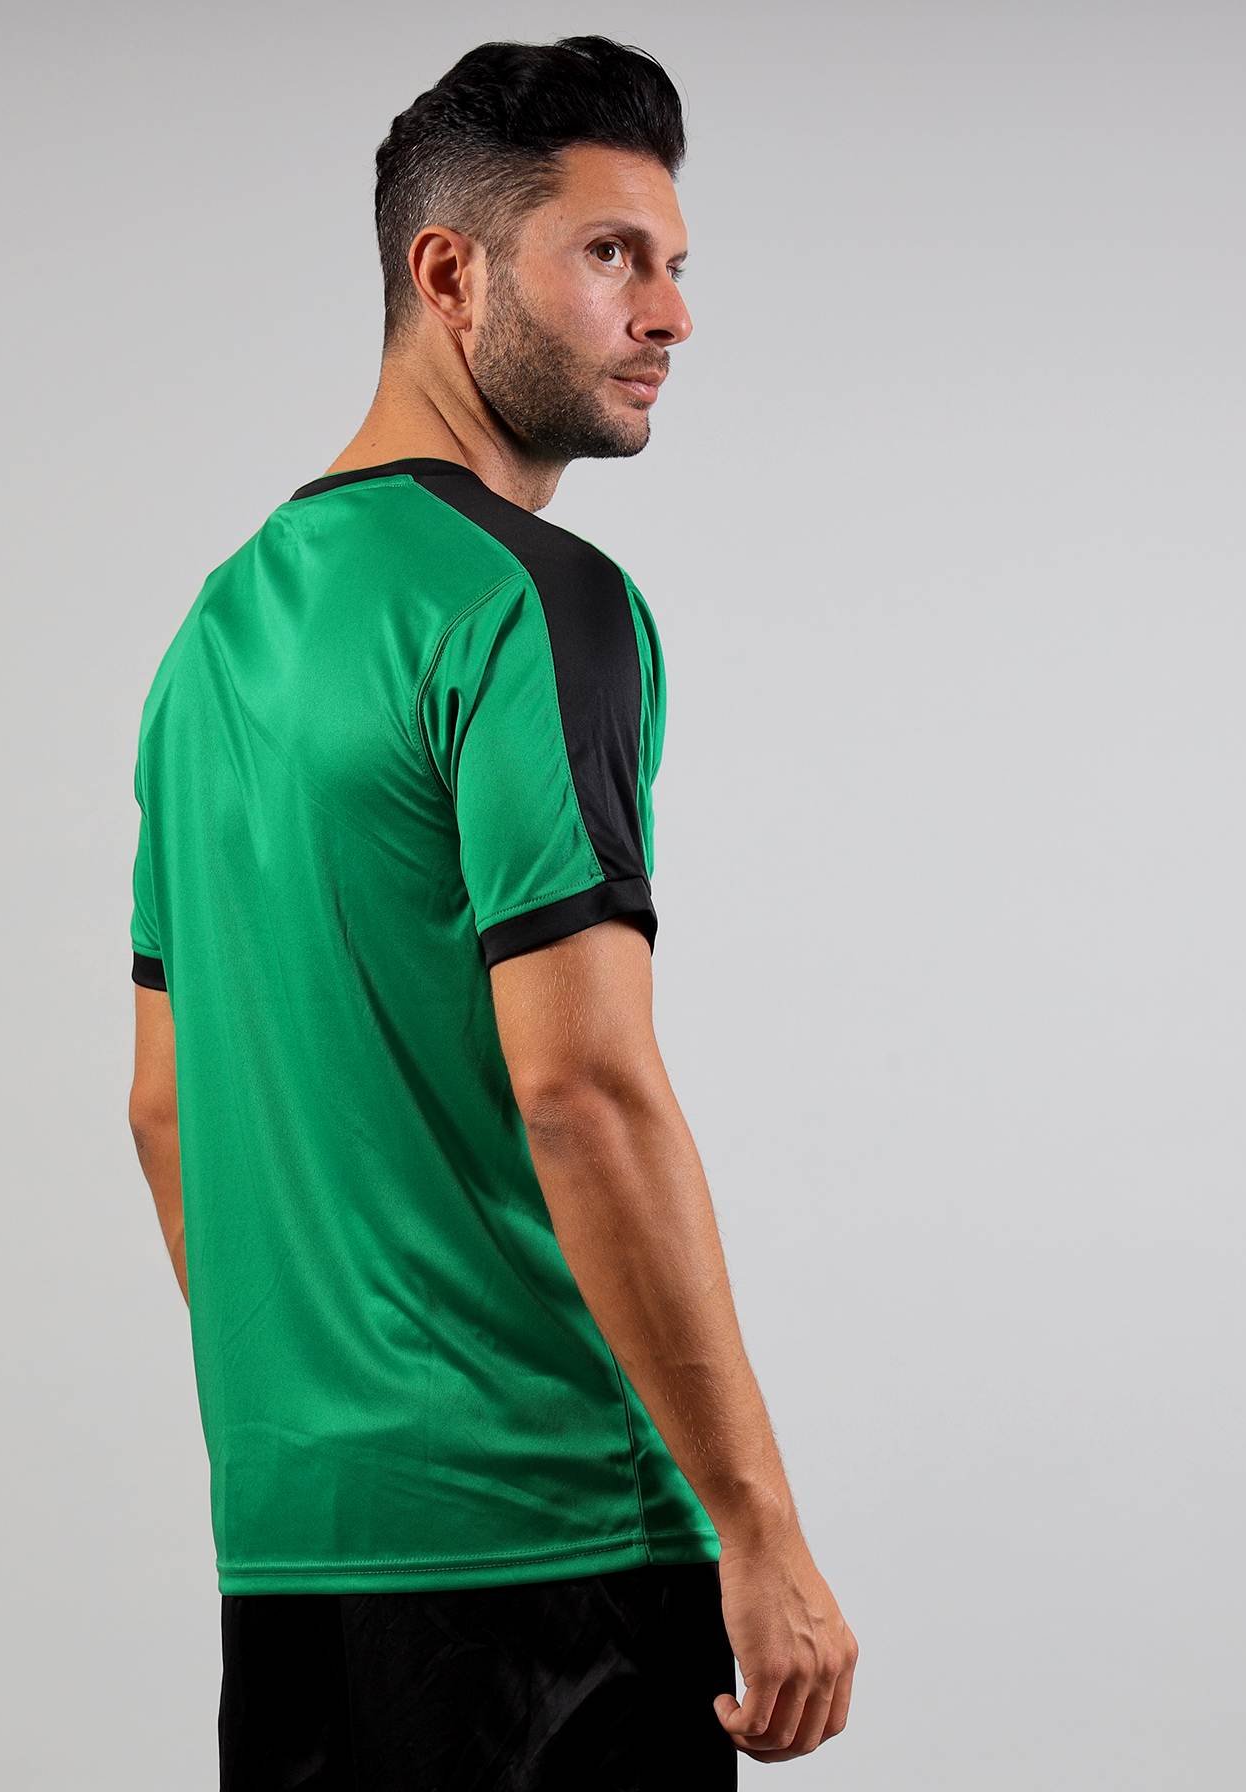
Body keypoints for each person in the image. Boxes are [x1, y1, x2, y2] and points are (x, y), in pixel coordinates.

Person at [126, 33, 856, 1788]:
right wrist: (759, 1526)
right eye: (613, 254)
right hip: (551, 1557)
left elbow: (164, 1109)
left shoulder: (208, 640)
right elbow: (582, 1086)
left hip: (296, 1552)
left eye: (675, 262)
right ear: (449, 274)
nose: (670, 313)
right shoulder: (533, 603)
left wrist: (339, 1419)